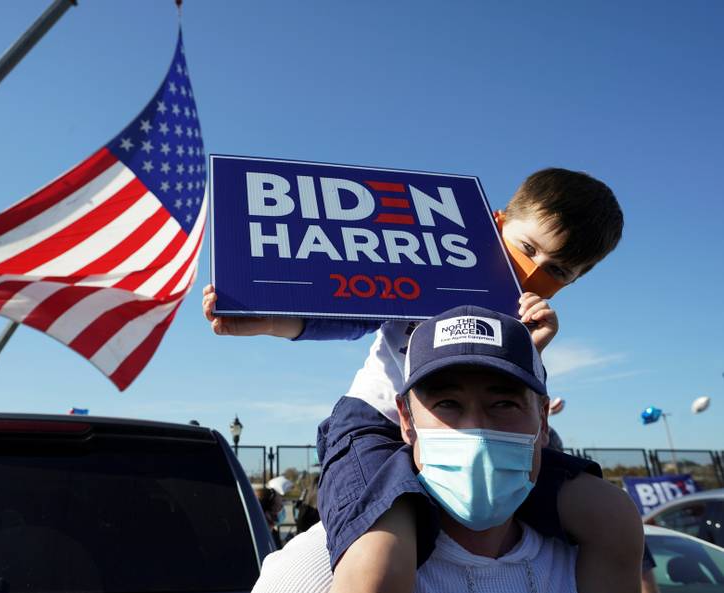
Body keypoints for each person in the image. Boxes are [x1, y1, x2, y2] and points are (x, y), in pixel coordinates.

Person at [204, 168, 631, 590]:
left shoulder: (529, 316)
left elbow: (508, 395)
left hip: (482, 433)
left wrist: (531, 348)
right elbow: (347, 309)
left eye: (558, 271)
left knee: (611, 515)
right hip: (380, 424)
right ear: (495, 222)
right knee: (377, 560)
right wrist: (269, 319)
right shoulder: (427, 263)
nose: (535, 270)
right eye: (527, 248)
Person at [251, 306, 644, 592]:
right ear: (405, 420)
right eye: (447, 405)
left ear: (543, 419)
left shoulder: (590, 555)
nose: (476, 431)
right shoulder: (315, 571)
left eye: (503, 404)